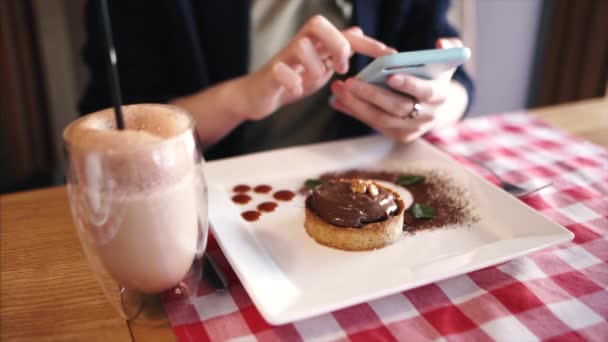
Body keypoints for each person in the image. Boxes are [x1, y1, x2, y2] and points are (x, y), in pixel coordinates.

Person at [80, 0, 473, 160]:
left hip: (367, 184)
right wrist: (238, 99)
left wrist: (433, 105)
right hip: (212, 214)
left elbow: (455, 80)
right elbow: (108, 134)